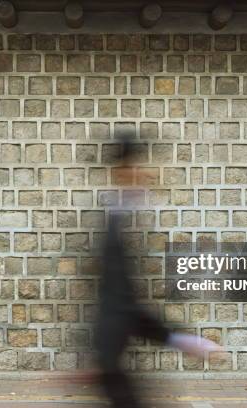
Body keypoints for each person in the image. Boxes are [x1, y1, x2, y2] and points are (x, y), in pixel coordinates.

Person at [93, 134, 222, 408]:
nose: (150, 174)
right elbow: (119, 302)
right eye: (141, 165)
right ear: (124, 171)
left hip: (113, 359)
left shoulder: (120, 220)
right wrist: (178, 338)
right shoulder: (115, 226)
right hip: (112, 359)